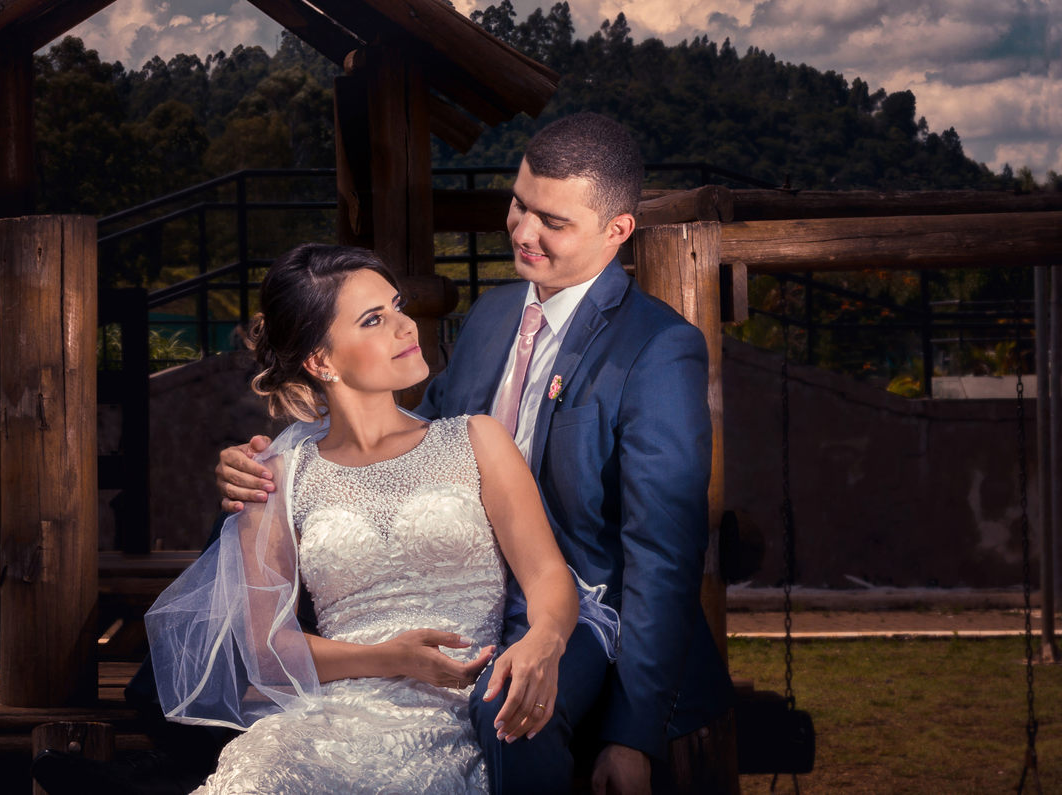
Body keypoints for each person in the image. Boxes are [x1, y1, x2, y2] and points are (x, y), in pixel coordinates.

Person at [217, 113, 733, 793]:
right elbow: (415, 444)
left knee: (511, 709)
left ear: (616, 232)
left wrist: (631, 734)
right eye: (519, 203)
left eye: (553, 220)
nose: (522, 231)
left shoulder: (656, 348)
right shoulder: (492, 316)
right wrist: (270, 464)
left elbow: (664, 554)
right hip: (460, 602)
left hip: (586, 611)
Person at [147, 244, 589, 793]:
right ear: (320, 361)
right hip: (324, 723)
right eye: (374, 319)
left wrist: (543, 639)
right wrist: (391, 658)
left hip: (449, 719)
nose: (406, 327)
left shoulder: (476, 441)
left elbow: (548, 575)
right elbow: (267, 649)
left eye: (397, 307)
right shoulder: (277, 474)